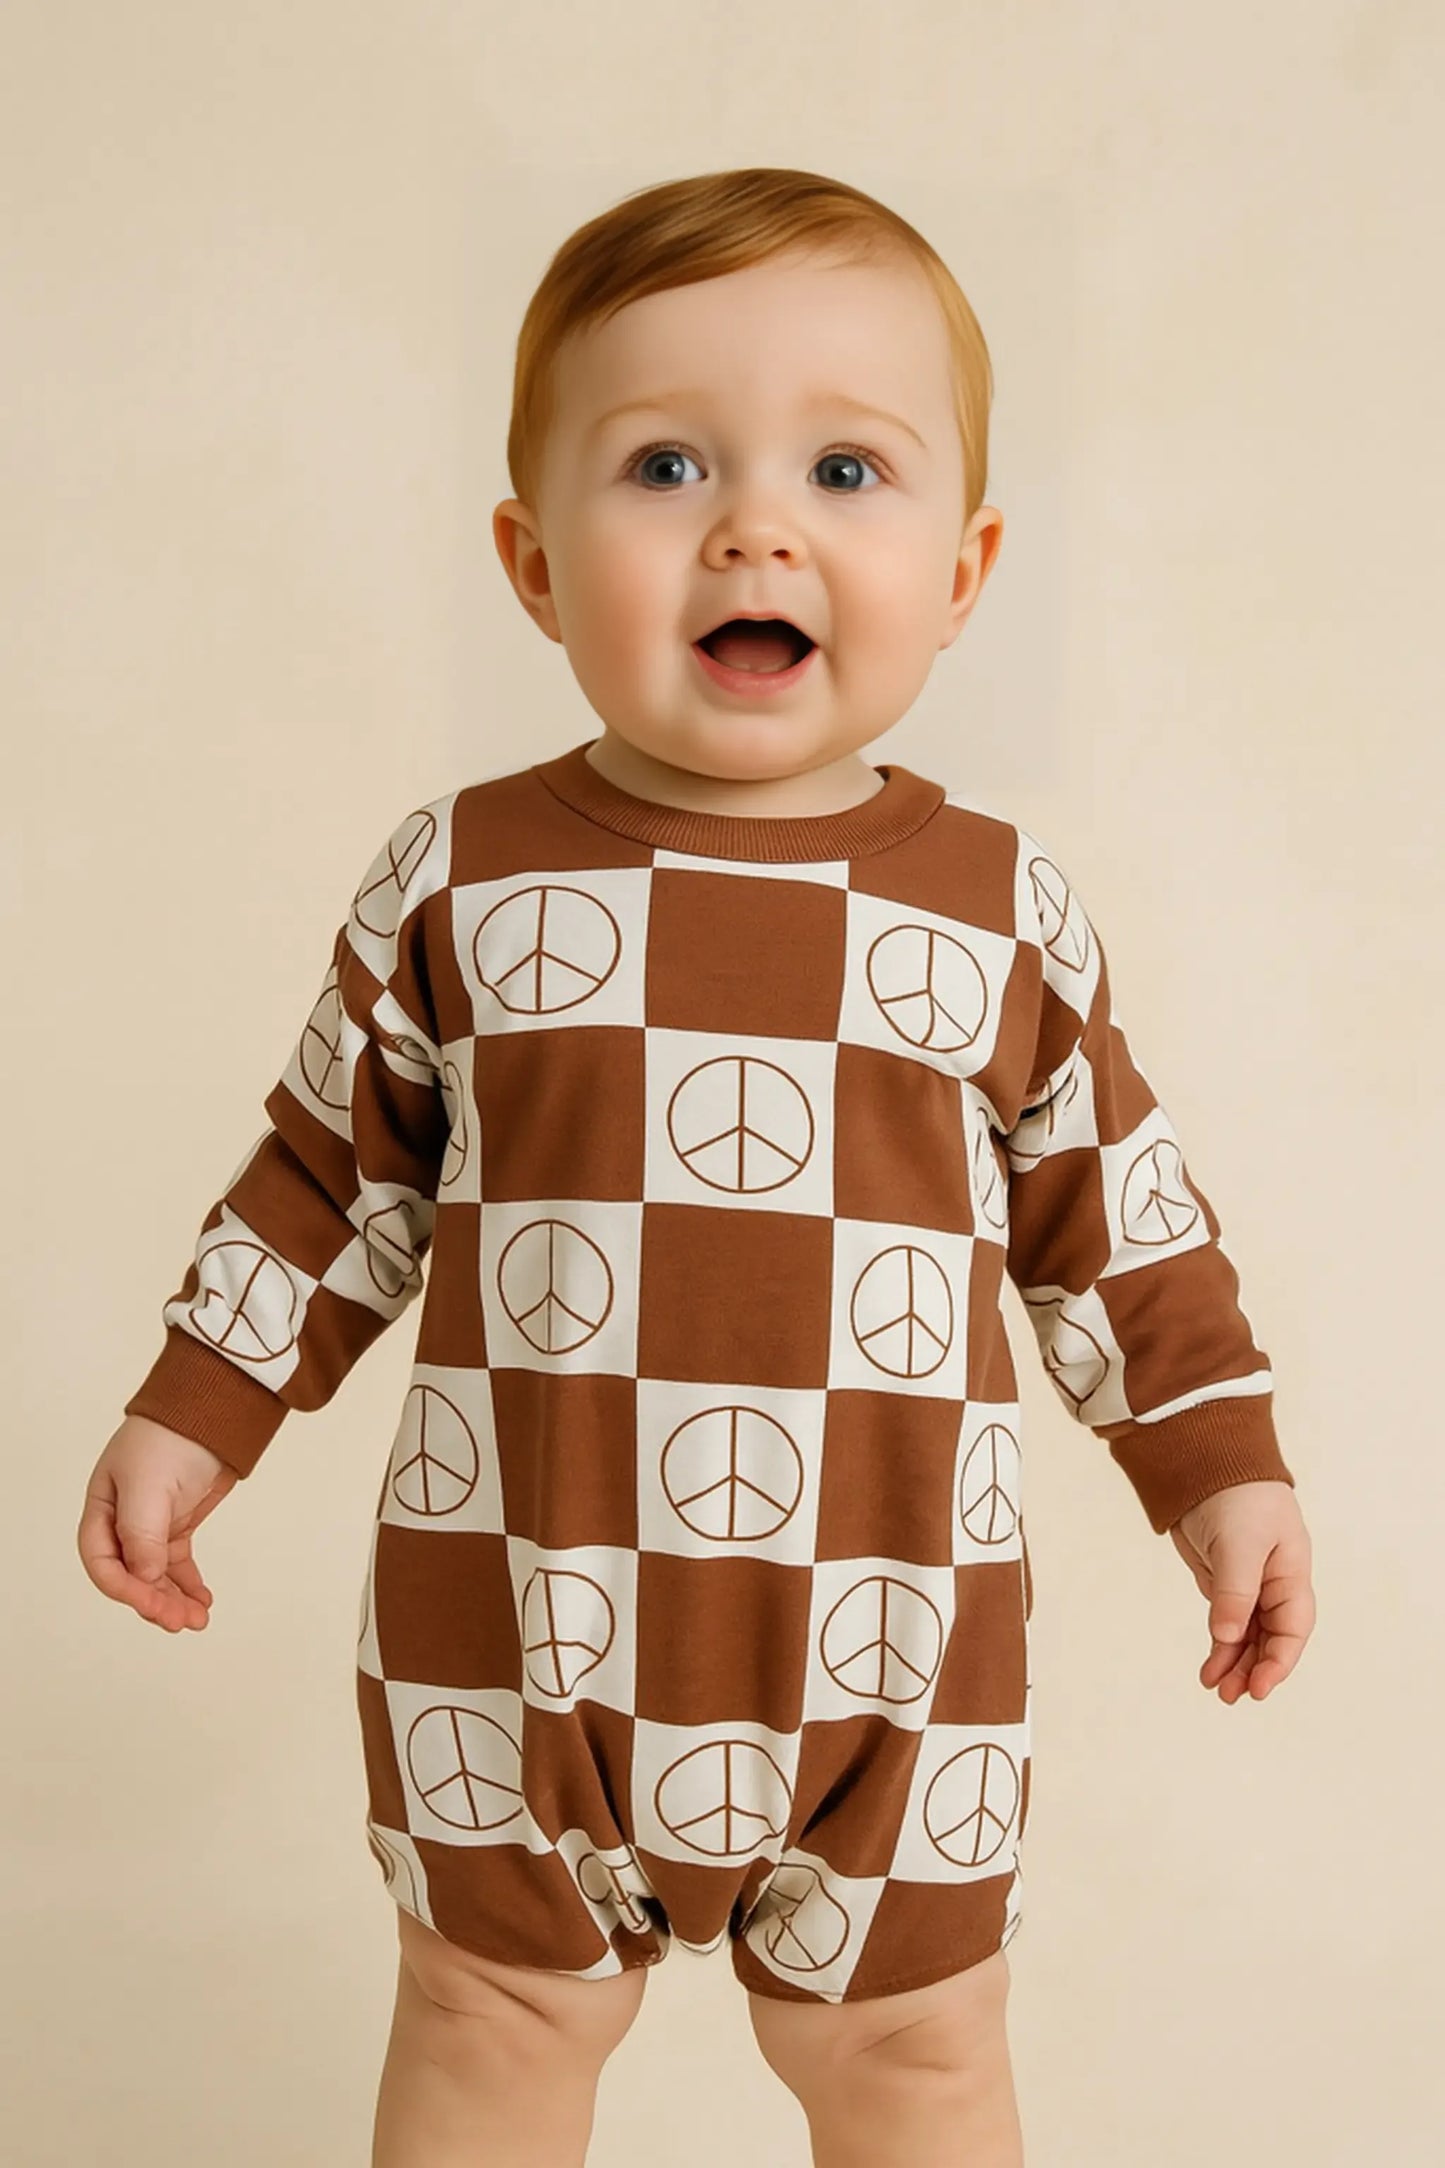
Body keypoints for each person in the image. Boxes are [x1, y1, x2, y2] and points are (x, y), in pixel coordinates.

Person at [77, 166, 1316, 2168]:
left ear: (969, 565)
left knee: (920, 2062)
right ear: (535, 562)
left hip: (895, 1660)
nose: (756, 524)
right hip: (516, 1628)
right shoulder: (464, 879)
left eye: (848, 466)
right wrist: (194, 1409)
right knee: (484, 2028)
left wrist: (1222, 1466)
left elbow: (1121, 1226)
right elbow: (327, 1185)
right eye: (664, 464)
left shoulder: (999, 916)